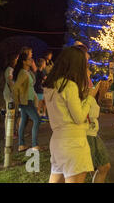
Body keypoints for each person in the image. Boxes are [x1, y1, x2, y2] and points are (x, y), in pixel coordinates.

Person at [43, 46, 93, 183]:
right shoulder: (69, 86)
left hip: (57, 141)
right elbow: (79, 117)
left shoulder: (50, 86)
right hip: (73, 142)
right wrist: (89, 99)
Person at [13, 52, 40, 152]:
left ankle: (21, 145)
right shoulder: (23, 73)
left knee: (23, 121)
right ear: (24, 61)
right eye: (29, 59)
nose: (31, 60)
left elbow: (31, 85)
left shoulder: (26, 72)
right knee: (37, 120)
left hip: (28, 101)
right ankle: (34, 144)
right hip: (26, 102)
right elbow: (15, 88)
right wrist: (17, 102)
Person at [86, 80, 111, 183]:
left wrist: (99, 95)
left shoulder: (88, 87)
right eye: (87, 70)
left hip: (93, 134)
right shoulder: (77, 88)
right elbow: (91, 114)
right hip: (86, 135)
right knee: (83, 172)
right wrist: (93, 96)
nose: (90, 72)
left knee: (104, 166)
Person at [3, 53, 19, 136]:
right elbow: (10, 82)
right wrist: (14, 92)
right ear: (13, 60)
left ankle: (12, 132)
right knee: (9, 113)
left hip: (11, 94)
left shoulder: (11, 69)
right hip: (9, 94)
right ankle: (8, 134)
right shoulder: (9, 70)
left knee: (12, 113)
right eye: (17, 59)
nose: (17, 61)